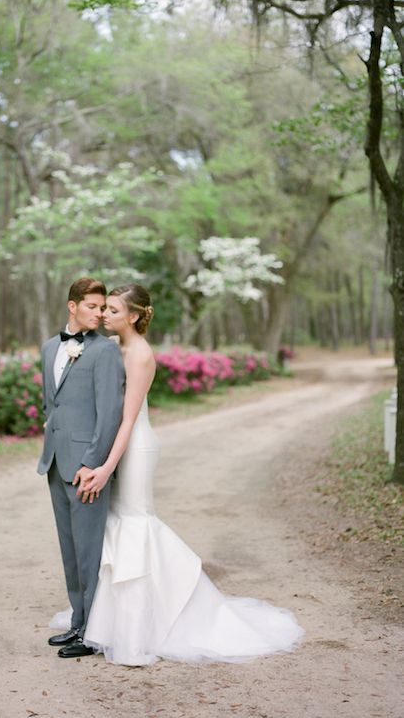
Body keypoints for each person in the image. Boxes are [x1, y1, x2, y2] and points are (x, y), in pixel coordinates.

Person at [57, 283, 304, 666]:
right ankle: (103, 621)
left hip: (133, 445)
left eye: (113, 311)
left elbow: (126, 420)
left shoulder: (138, 355)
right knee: (114, 525)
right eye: (102, 309)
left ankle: (145, 626)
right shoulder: (109, 349)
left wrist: (105, 467)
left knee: (135, 522)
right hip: (113, 443)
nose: (104, 315)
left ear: (135, 317)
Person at [37, 277, 125, 659]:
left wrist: (95, 463)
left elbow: (109, 414)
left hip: (87, 467)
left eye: (103, 307)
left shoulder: (105, 351)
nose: (100, 312)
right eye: (92, 306)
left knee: (89, 550)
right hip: (55, 462)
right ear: (72, 306)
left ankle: (92, 632)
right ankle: (77, 622)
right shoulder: (49, 347)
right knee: (70, 549)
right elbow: (50, 404)